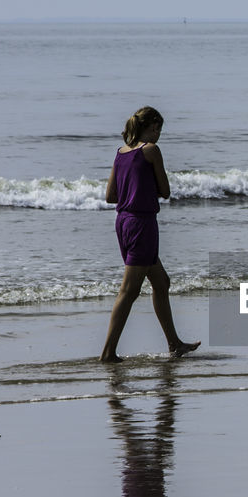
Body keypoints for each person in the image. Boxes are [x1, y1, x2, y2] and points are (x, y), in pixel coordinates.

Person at [100, 106, 200, 362]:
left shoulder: (121, 153)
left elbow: (111, 196)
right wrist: (146, 190)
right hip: (143, 224)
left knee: (161, 282)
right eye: (158, 130)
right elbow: (165, 190)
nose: (159, 135)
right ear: (152, 126)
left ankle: (174, 343)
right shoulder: (151, 150)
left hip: (123, 222)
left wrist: (135, 188)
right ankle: (108, 353)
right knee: (129, 291)